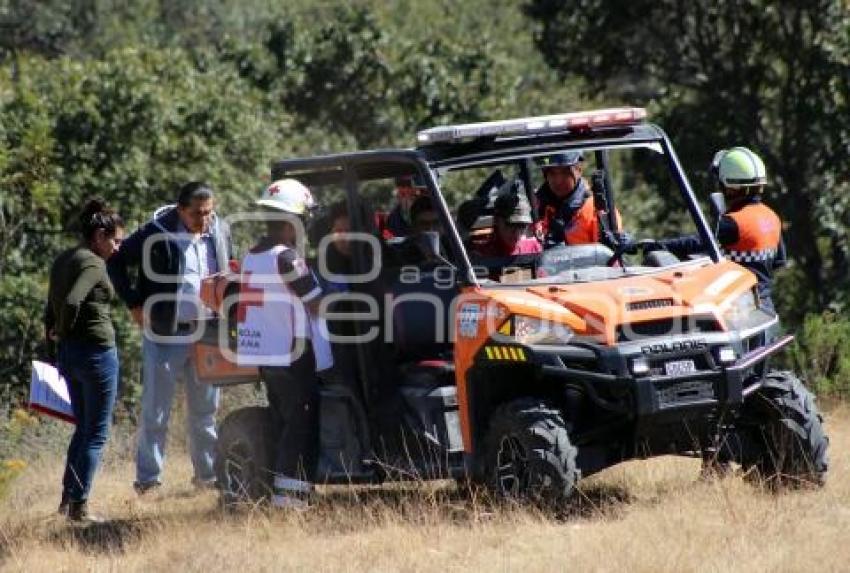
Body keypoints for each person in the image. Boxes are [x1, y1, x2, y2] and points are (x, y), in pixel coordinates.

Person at [108, 181, 233, 494]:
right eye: (196, 214)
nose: (203, 220)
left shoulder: (219, 231)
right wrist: (134, 302)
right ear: (181, 210)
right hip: (165, 334)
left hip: (207, 333)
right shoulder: (155, 232)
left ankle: (207, 477)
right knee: (156, 412)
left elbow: (229, 270)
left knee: (205, 412)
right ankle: (148, 482)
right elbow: (116, 261)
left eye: (208, 213)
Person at [236, 179, 333, 509]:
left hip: (269, 357)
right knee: (300, 426)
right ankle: (290, 501)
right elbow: (316, 303)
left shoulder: (252, 256)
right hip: (294, 357)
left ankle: (286, 495)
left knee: (284, 422)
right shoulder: (286, 258)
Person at [46, 198, 124, 522]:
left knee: (82, 429)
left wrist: (54, 335)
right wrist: (63, 329)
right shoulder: (93, 263)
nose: (118, 248)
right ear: (99, 237)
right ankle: (79, 507)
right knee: (96, 433)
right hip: (96, 353)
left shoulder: (64, 258)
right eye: (115, 240)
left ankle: (67, 500)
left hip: (71, 355)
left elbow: (52, 302)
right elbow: (74, 298)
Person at [657, 147, 786, 311]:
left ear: (731, 188)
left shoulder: (733, 222)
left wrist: (659, 245)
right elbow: (779, 261)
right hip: (767, 306)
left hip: (740, 308)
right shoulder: (772, 216)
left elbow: (697, 242)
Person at [535, 151, 621, 248]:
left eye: (565, 173)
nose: (558, 180)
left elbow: (609, 255)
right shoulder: (537, 208)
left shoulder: (599, 211)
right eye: (552, 173)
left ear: (578, 170)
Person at [473, 180, 542, 258]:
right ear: (496, 220)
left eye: (522, 225)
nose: (516, 232)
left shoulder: (535, 248)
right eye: (510, 225)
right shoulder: (482, 254)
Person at [378, 174, 427, 239]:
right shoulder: (392, 219)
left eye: (409, 185)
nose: (406, 190)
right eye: (401, 184)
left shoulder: (437, 212)